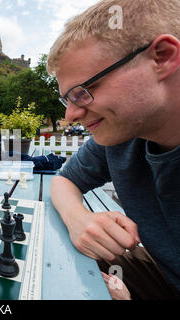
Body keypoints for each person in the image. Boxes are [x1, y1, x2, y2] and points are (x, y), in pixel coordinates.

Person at [47, 0, 180, 299]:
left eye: (82, 92)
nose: (70, 115)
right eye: (66, 99)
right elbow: (63, 180)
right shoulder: (122, 136)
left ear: (162, 58)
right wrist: (78, 219)